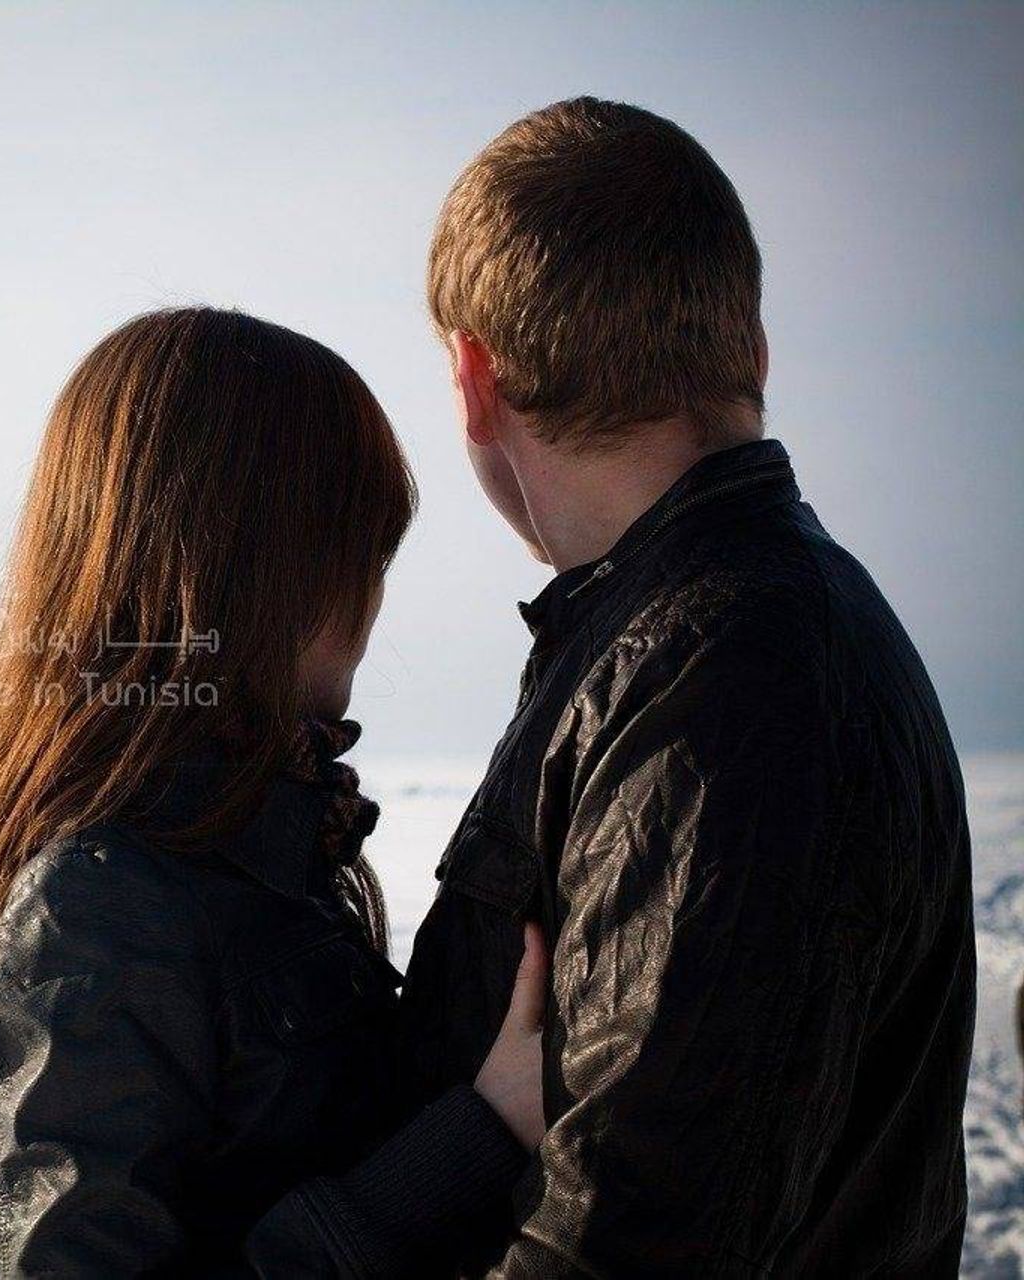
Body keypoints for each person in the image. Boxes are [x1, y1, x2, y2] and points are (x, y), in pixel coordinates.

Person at [395, 96, 977, 1275]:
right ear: (753, 352)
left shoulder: (715, 683)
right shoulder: (716, 630)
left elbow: (623, 1240)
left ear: (472, 378)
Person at [0, 307, 547, 1275]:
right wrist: (474, 1138)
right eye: (359, 549)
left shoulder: (254, 845)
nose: (374, 598)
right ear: (251, 567)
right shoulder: (94, 909)